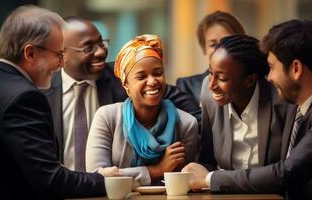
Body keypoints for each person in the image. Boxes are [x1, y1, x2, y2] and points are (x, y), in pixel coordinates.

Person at [182, 19, 312, 200]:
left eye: (271, 67)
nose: (268, 77)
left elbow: (285, 172)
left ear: (295, 68)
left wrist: (209, 179)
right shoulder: (310, 103)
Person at [0, 5, 117, 199]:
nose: (61, 64)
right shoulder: (24, 98)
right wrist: (102, 179)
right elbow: (51, 180)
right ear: (30, 53)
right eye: (58, 55)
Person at [44, 17, 201, 171]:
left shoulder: (124, 75)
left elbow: (172, 95)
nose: (100, 52)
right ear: (62, 54)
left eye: (101, 43)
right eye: (88, 47)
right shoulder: (42, 93)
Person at [85, 34, 199, 186]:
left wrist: (118, 174)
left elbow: (186, 182)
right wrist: (157, 170)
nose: (152, 81)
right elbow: (97, 179)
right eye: (141, 77)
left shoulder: (186, 124)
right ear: (126, 85)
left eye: (158, 73)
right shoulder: (107, 117)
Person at [198, 34, 290, 172]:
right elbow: (207, 159)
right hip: (224, 190)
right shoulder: (208, 93)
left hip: (271, 191)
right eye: (211, 73)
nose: (211, 85)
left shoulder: (281, 100)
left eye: (222, 78)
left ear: (250, 81)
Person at [176, 10, 245, 105]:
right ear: (204, 48)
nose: (220, 49)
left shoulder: (255, 82)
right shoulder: (188, 86)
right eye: (213, 44)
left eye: (227, 41)